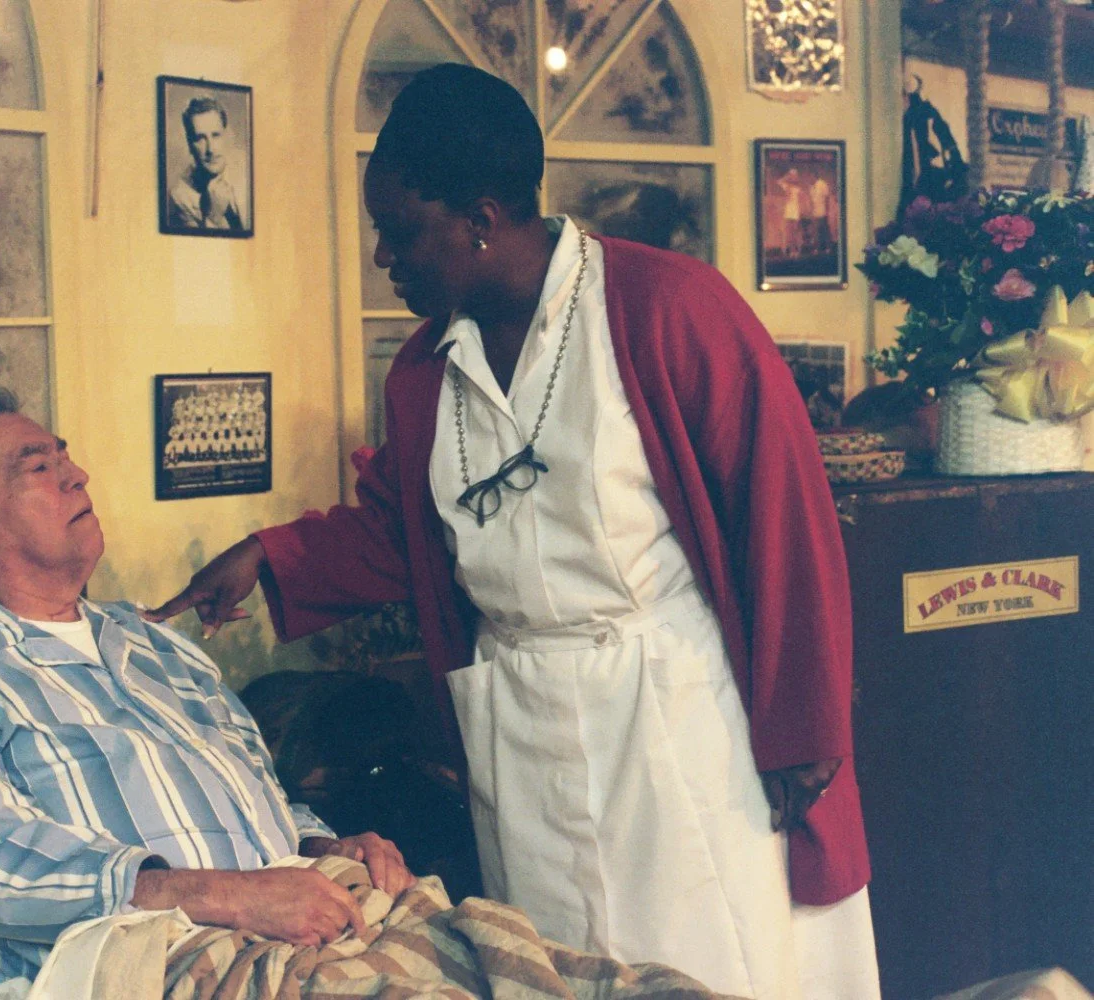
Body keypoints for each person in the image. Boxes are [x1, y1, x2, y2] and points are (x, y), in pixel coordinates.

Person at [149, 64, 879, 1000]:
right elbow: (403, 532)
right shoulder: (425, 372)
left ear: (482, 217)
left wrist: (805, 729)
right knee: (555, 970)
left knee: (712, 960)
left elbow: (783, 518)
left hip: (673, 710)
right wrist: (270, 556)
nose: (384, 256)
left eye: (400, 229)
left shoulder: (666, 307)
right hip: (519, 724)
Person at [0, 387, 412, 985]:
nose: (78, 476)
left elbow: (263, 795)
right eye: (40, 468)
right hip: (171, 965)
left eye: (64, 459)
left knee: (503, 950)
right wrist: (232, 897)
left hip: (322, 924)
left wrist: (327, 847)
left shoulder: (156, 643)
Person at [168, 95, 249, 231]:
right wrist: (213, 218)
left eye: (216, 135)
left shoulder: (248, 167)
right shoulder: (180, 196)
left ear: (226, 135)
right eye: (200, 138)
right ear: (189, 144)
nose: (210, 149)